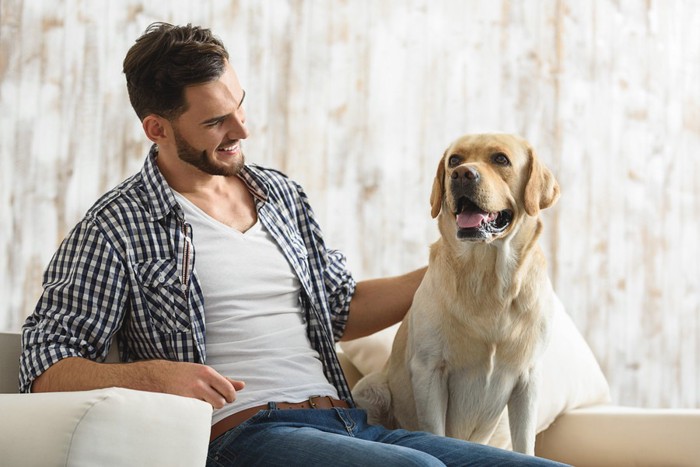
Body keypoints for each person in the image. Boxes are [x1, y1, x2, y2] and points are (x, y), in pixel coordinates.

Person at [20, 22, 567, 466]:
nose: (242, 129)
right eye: (216, 121)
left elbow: (339, 309)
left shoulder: (280, 195)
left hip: (350, 423)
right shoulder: (116, 225)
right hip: (243, 435)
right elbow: (43, 364)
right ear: (157, 129)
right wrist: (155, 376)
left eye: (240, 105)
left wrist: (461, 269)